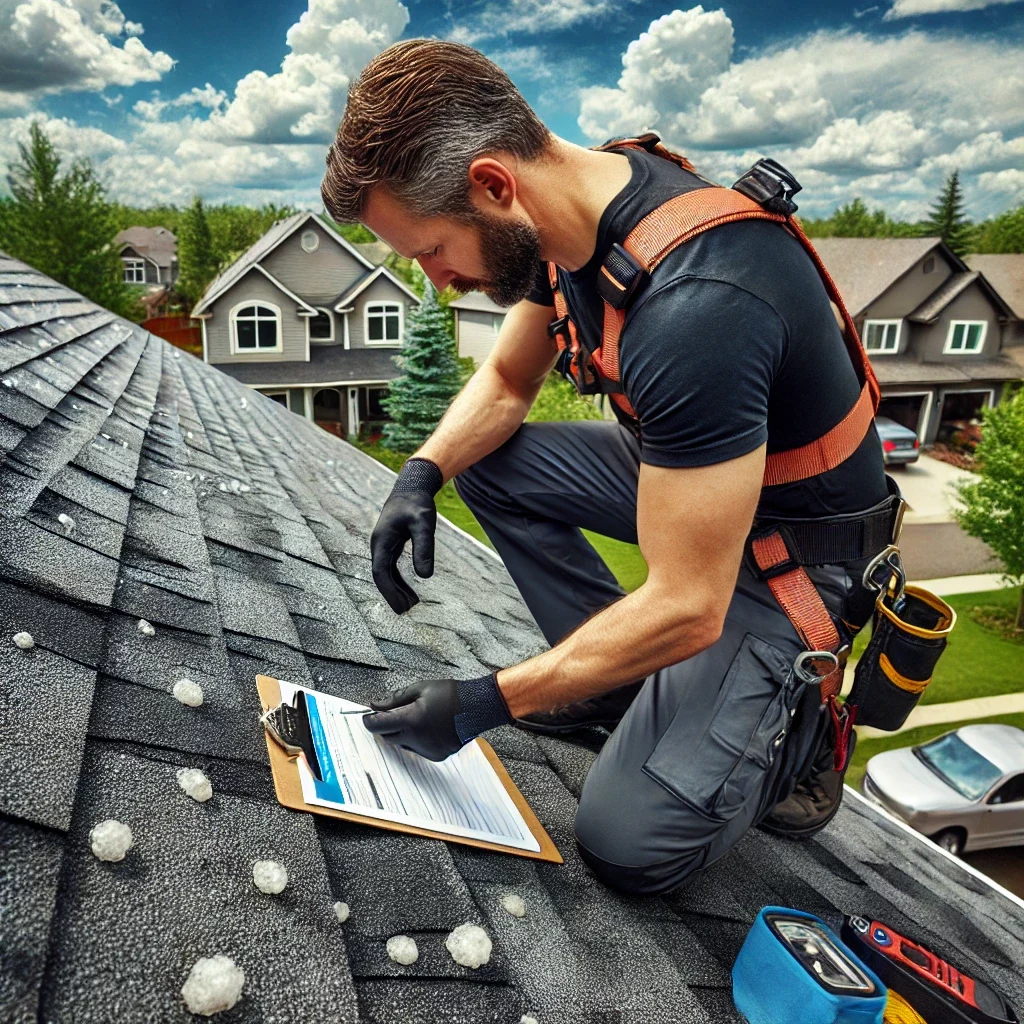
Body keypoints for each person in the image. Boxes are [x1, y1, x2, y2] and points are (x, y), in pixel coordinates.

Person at [320, 39, 902, 895]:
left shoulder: (699, 307)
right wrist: (423, 471)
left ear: (492, 185)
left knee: (628, 844)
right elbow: (511, 379)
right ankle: (610, 690)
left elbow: (689, 603)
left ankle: (795, 735)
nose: (436, 280)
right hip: (694, 487)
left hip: (791, 558)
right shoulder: (564, 219)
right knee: (489, 462)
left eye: (431, 249)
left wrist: (489, 700)